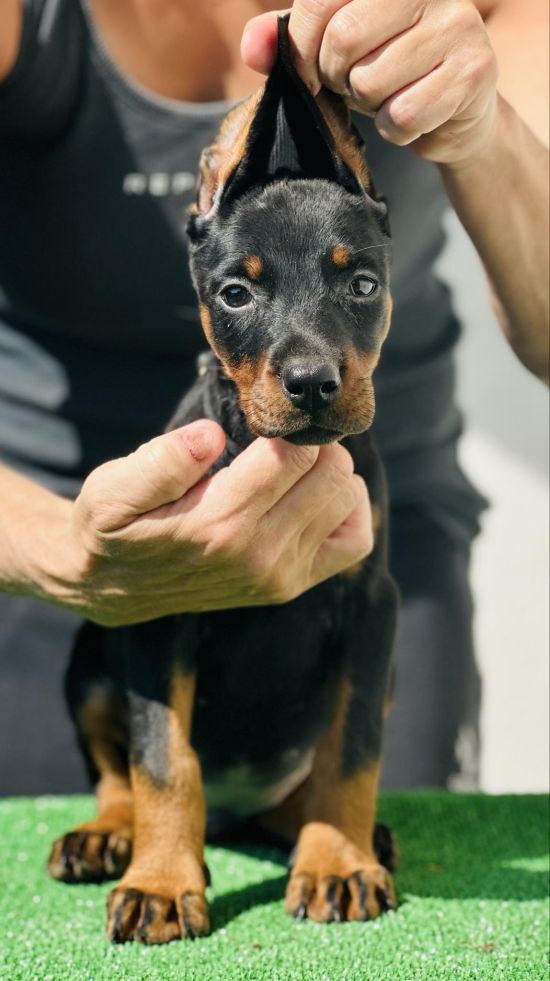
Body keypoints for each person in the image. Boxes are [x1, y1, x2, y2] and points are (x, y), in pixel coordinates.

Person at [0, 0, 547, 796]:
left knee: (380, 848)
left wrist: (486, 131)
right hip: (47, 522)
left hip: (371, 524)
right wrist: (67, 555)